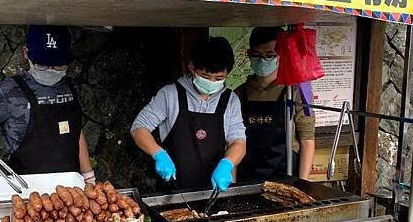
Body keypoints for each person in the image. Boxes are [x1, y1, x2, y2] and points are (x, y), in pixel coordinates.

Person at [0, 25, 95, 183]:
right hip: (27, 191)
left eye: (58, 65)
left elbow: (76, 132)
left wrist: (89, 177)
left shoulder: (71, 87)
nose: (51, 70)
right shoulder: (8, 91)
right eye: (43, 64)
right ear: (26, 52)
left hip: (71, 189)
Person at [131, 37, 246, 192]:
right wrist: (158, 154)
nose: (212, 82)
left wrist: (227, 164)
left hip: (213, 191)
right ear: (192, 68)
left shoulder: (231, 101)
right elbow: (139, 128)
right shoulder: (170, 94)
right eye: (205, 76)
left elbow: (238, 142)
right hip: (172, 190)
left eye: (219, 78)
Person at [236, 27, 316, 181]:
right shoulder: (239, 93)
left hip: (285, 172)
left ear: (281, 56)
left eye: (269, 55)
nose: (262, 60)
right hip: (248, 173)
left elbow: (307, 140)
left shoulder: (296, 93)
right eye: (256, 55)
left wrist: (302, 183)